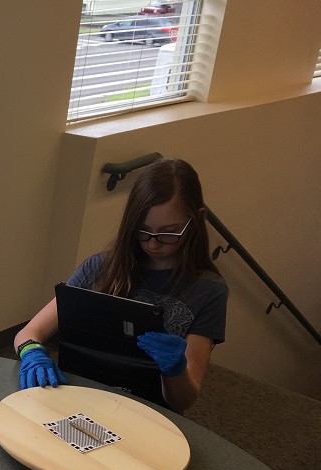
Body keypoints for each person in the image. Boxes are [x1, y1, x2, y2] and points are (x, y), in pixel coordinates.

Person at [14, 158, 227, 413]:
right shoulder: (99, 269)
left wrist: (175, 369)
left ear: (196, 221)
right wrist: (32, 352)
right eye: (143, 230)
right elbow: (27, 333)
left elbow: (182, 401)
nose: (153, 244)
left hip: (147, 412)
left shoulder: (208, 290)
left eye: (168, 232)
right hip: (79, 397)